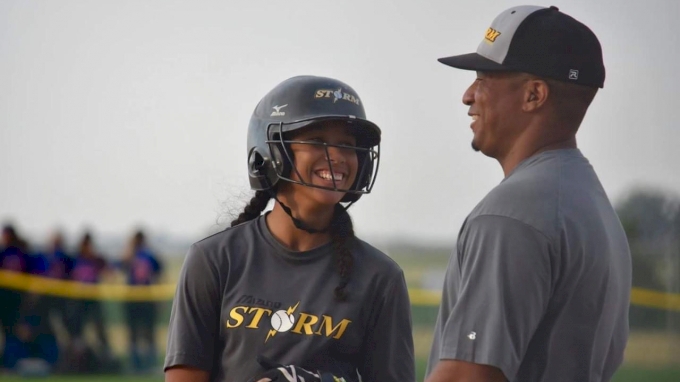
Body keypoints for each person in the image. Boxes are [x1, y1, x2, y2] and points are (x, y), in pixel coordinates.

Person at [425, 5, 631, 382]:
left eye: (484, 78)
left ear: (534, 95)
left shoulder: (511, 214)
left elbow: (466, 375)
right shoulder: (590, 203)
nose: (468, 96)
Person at [164, 75, 415, 382]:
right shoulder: (215, 260)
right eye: (317, 141)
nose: (335, 156)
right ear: (272, 155)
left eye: (347, 145)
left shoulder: (380, 277)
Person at [120, 229, 163, 373]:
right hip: (133, 298)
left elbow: (159, 273)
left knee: (147, 332)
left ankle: (147, 364)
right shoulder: (131, 254)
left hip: (145, 297)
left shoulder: (148, 255)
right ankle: (136, 364)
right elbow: (120, 266)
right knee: (135, 333)